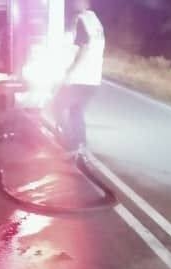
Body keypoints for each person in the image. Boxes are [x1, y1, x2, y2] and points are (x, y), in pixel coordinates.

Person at [55, 0, 105, 154]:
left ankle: (71, 145)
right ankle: (81, 145)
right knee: (76, 111)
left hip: (80, 76)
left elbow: (83, 47)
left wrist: (70, 71)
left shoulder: (81, 20)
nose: (73, 3)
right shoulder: (95, 21)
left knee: (56, 105)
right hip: (93, 77)